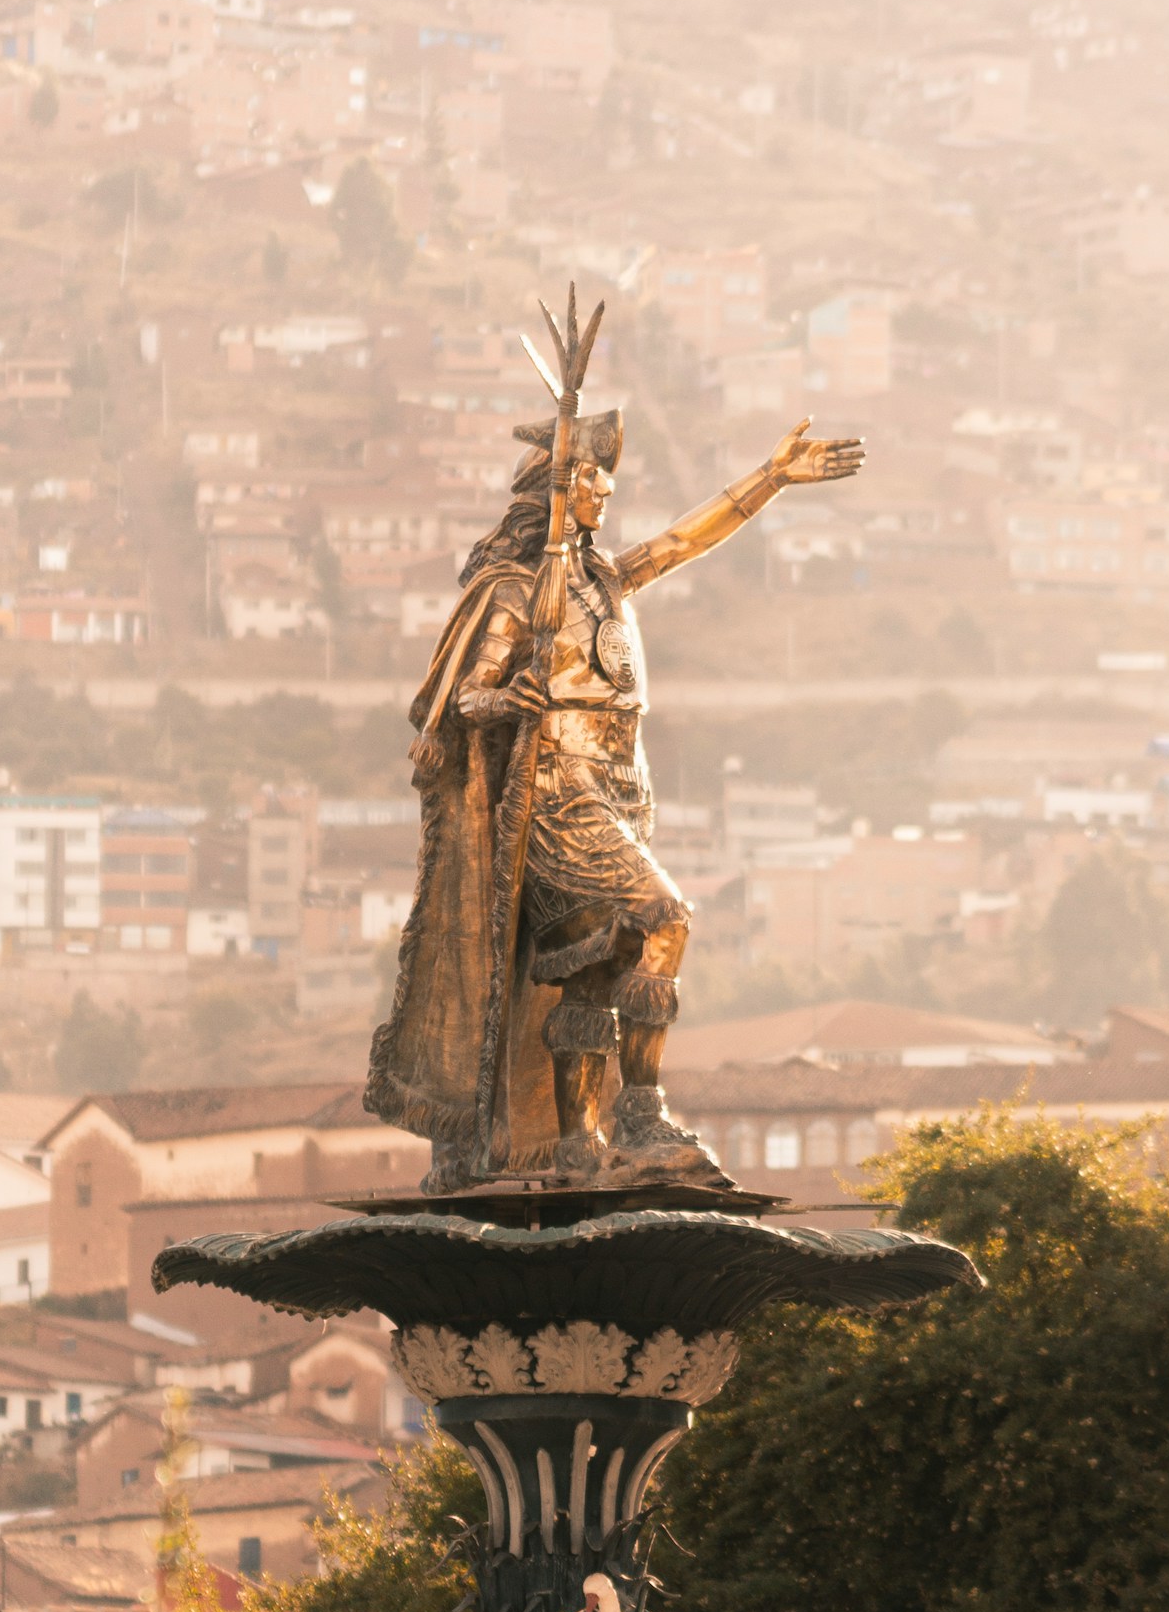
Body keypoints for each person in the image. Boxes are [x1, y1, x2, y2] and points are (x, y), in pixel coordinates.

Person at [367, 387, 864, 1192]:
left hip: (621, 787)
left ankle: (578, 1146)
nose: (606, 489)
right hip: (557, 797)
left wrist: (771, 477)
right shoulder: (516, 591)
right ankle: (641, 1111)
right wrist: (511, 697)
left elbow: (681, 541)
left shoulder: (603, 580)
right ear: (558, 491)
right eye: (593, 477)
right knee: (664, 917)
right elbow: (463, 699)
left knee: (596, 965)